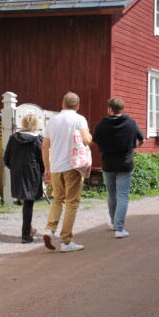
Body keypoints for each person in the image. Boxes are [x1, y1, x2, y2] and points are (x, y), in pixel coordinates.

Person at [42, 92, 92, 252]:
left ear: (62, 104)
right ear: (78, 106)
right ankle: (66, 241)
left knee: (58, 199)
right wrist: (89, 133)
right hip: (73, 166)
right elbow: (87, 140)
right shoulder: (79, 119)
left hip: (56, 167)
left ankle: (50, 230)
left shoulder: (52, 121)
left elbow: (44, 146)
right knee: (72, 202)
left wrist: (46, 168)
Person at [93, 97, 144, 238]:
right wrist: (133, 148)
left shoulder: (102, 125)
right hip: (125, 163)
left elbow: (94, 141)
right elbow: (142, 139)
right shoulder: (131, 124)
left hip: (108, 164)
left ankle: (114, 222)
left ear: (110, 109)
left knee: (111, 194)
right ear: (122, 108)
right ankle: (119, 228)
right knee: (123, 196)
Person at [3, 114, 44, 244]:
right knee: (28, 203)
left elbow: (7, 158)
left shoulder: (13, 138)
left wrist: (14, 168)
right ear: (36, 124)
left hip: (17, 172)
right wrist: (43, 172)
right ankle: (26, 235)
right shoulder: (38, 139)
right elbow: (41, 160)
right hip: (32, 172)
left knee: (26, 202)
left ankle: (29, 229)